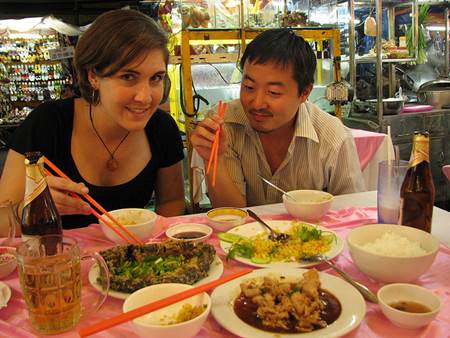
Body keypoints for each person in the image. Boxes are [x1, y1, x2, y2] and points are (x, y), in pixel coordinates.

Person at [0, 9, 185, 235]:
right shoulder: (47, 124)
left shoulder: (162, 128)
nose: (145, 97)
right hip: (58, 262)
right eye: (128, 77)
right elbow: (1, 221)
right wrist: (27, 210)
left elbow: (172, 203)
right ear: (93, 76)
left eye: (155, 78)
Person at [191, 29, 365, 208]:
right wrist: (215, 160)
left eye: (273, 92)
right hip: (246, 235)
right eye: (249, 87)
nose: (257, 103)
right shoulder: (225, 125)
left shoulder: (334, 137)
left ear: (305, 92)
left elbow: (351, 214)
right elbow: (230, 216)